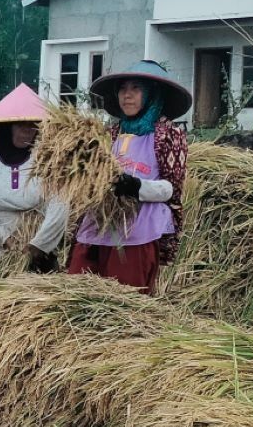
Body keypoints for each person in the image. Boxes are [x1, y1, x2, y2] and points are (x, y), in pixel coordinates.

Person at [67, 60, 191, 293]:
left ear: (151, 95)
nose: (127, 95)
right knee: (78, 290)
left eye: (136, 89)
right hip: (98, 225)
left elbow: (170, 188)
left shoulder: (167, 135)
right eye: (123, 89)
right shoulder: (108, 134)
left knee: (125, 298)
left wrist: (136, 187)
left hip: (137, 231)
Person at [0, 83, 68, 273]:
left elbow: (60, 204)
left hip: (36, 251)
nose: (28, 131)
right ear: (6, 127)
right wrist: (4, 237)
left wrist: (39, 244)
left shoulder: (46, 160)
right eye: (21, 125)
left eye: (33, 125)